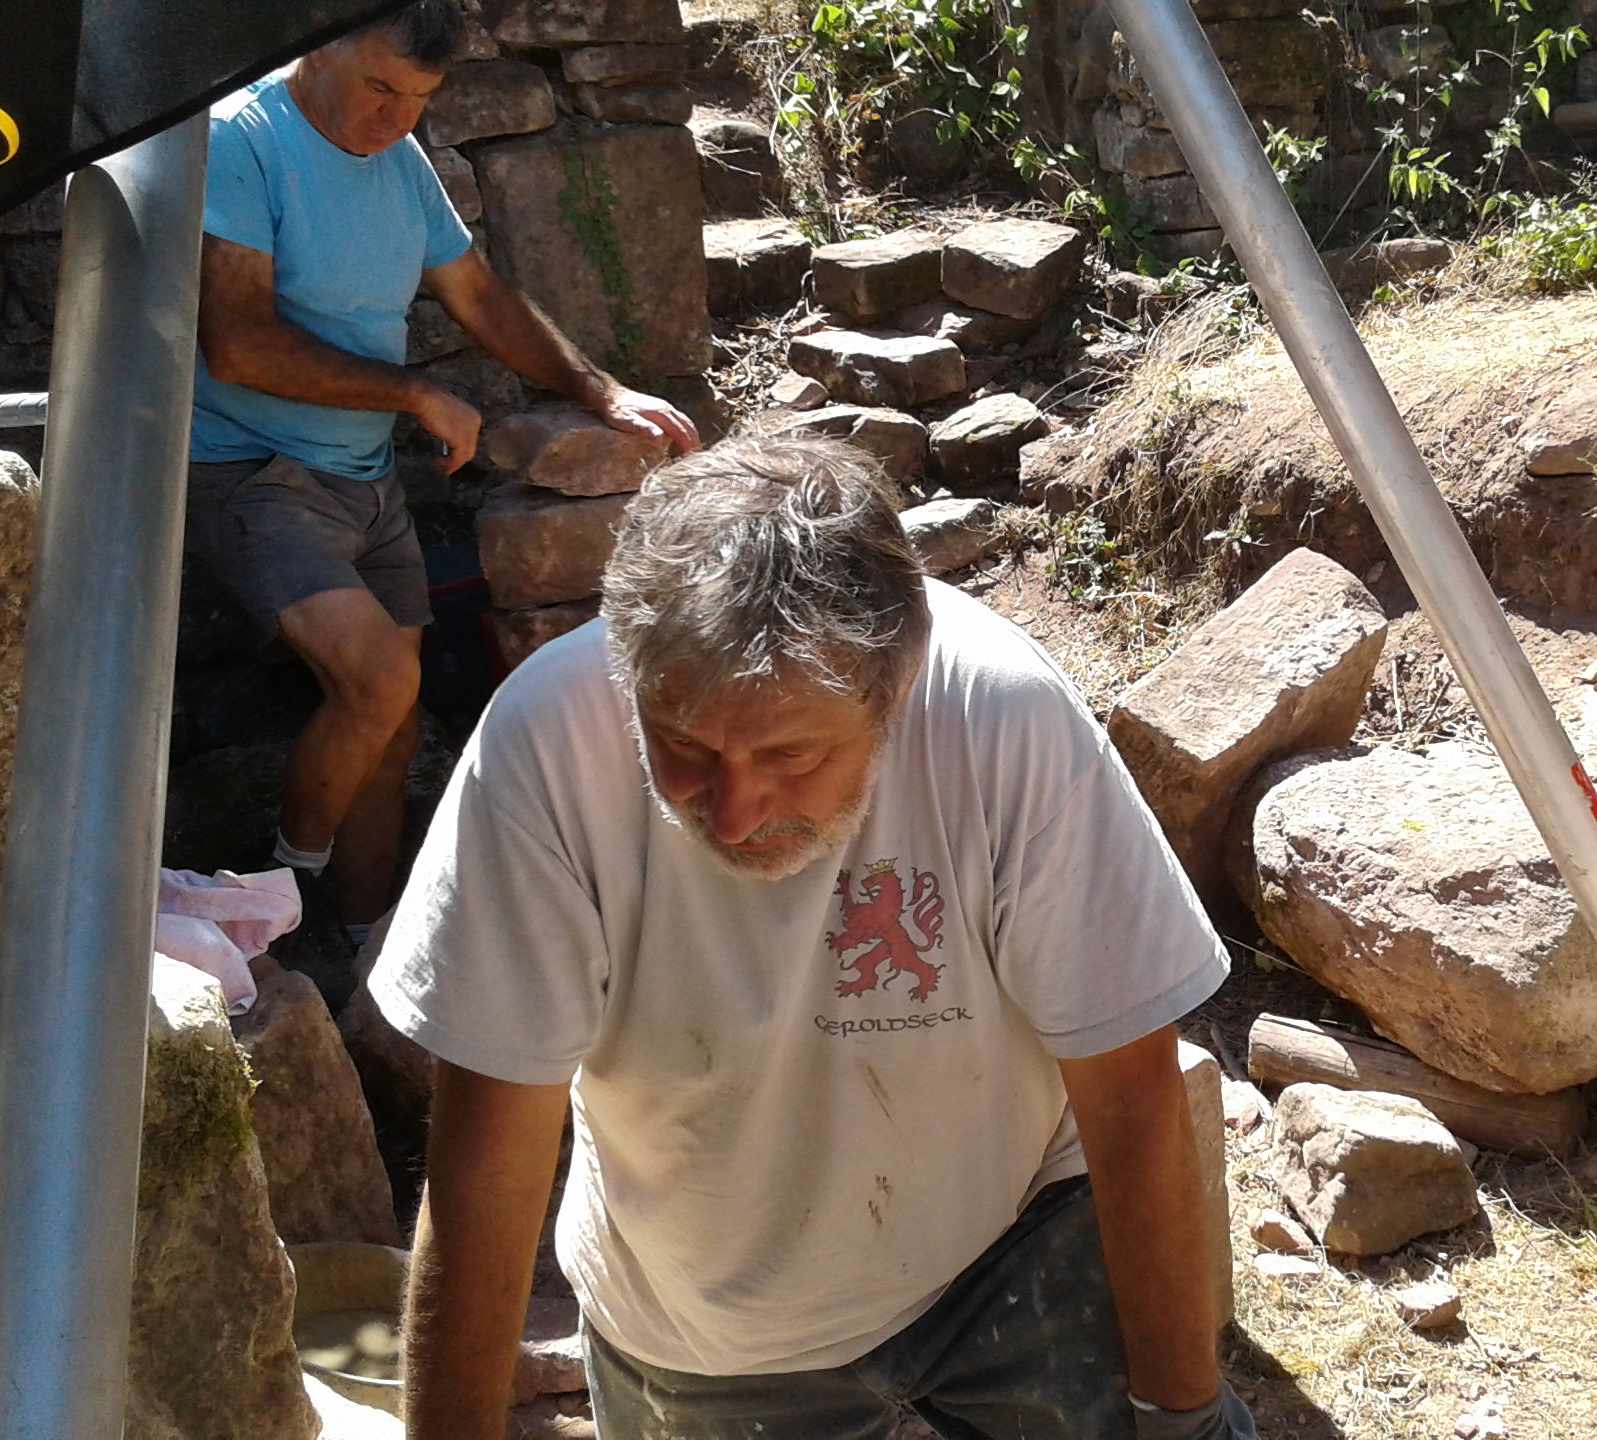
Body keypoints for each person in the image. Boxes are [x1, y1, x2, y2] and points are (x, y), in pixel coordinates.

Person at [368, 437, 1261, 1440]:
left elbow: (1131, 1096)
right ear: (628, 675)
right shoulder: (545, 744)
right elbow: (487, 1165)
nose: (735, 812)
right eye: (684, 747)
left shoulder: (1000, 717)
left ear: (896, 692)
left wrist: (1181, 1419)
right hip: (707, 1319)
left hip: (1011, 1232)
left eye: (789, 755)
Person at [186, 0, 697, 943]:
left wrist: (601, 390)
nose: (396, 119)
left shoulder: (398, 157)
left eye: (419, 99)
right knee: (380, 683)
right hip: (254, 471)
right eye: (380, 88)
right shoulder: (240, 138)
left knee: (393, 729)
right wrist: (416, 393)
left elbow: (479, 295)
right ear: (318, 47)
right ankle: (276, 901)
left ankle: (361, 942)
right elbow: (236, 343)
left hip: (366, 479)